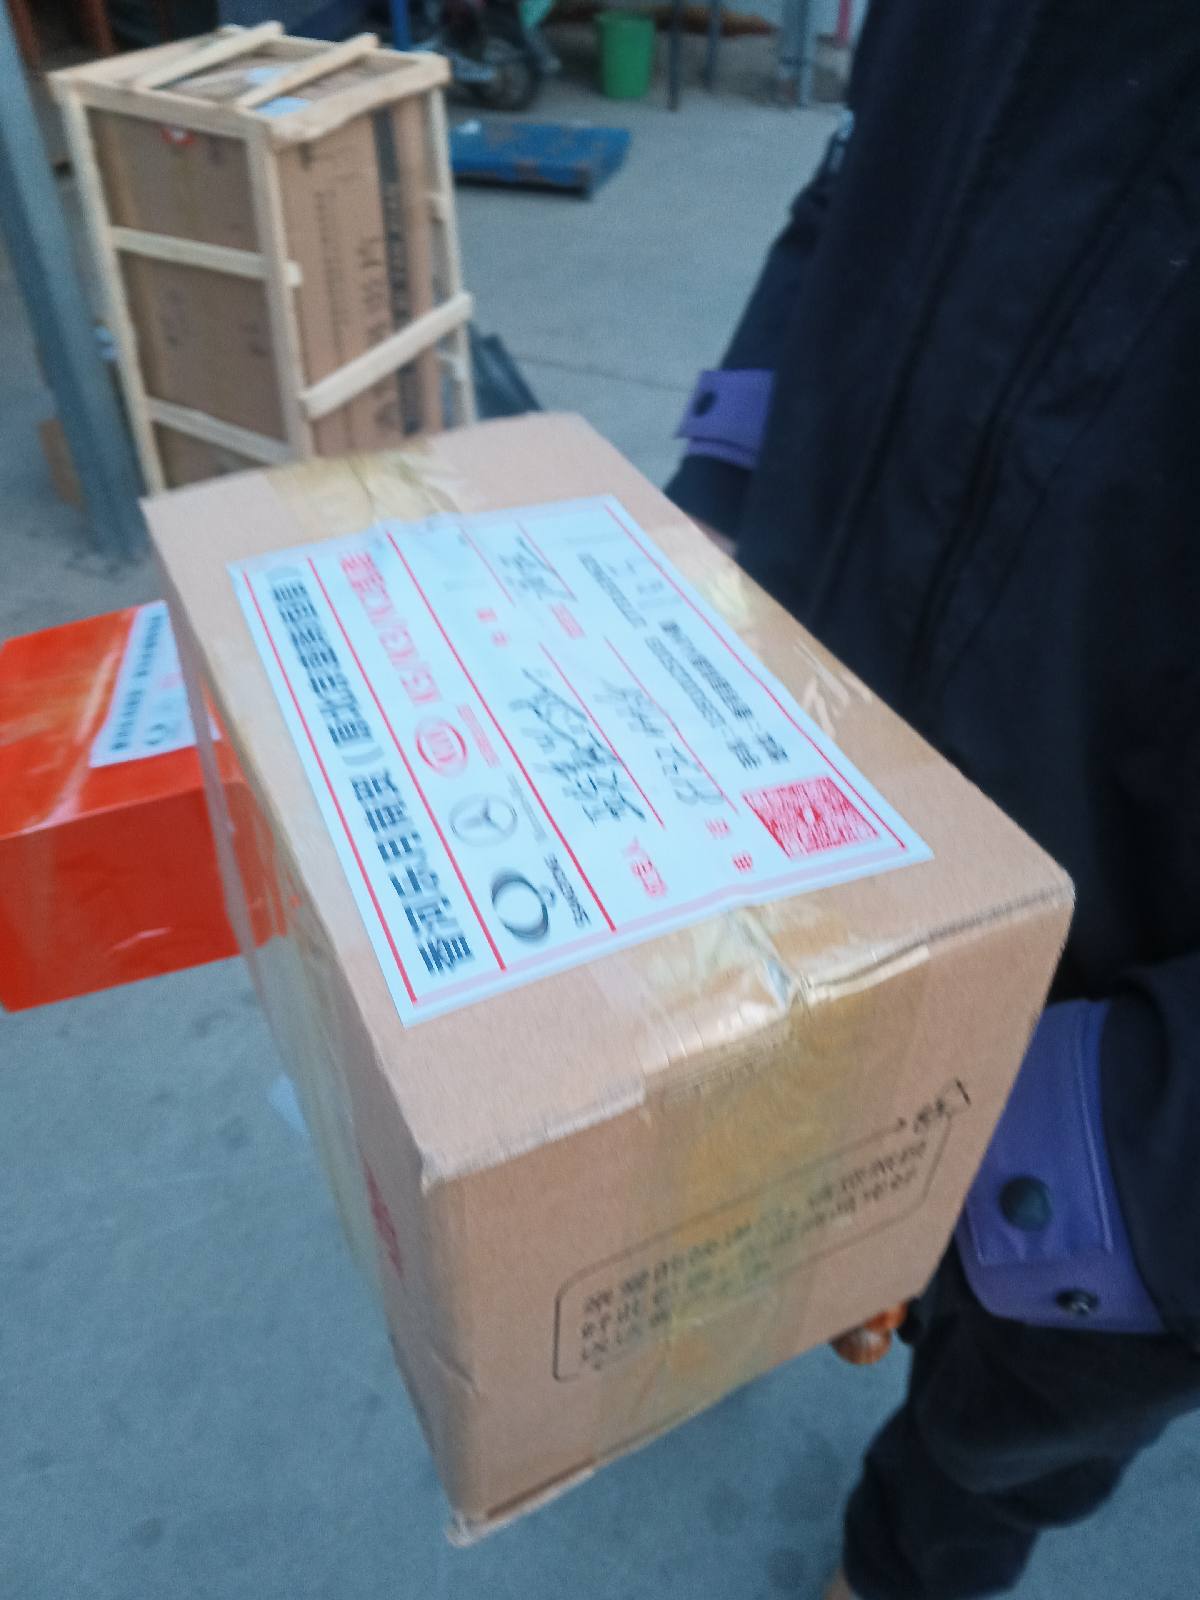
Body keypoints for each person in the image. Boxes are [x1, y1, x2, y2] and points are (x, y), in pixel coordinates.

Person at [666, 3, 1200, 1596]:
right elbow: (859, 179)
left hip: (1123, 1043)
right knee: (749, 1175)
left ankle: (899, 1567)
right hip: (807, 785)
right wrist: (717, 506)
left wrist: (1118, 1147)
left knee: (997, 1431)